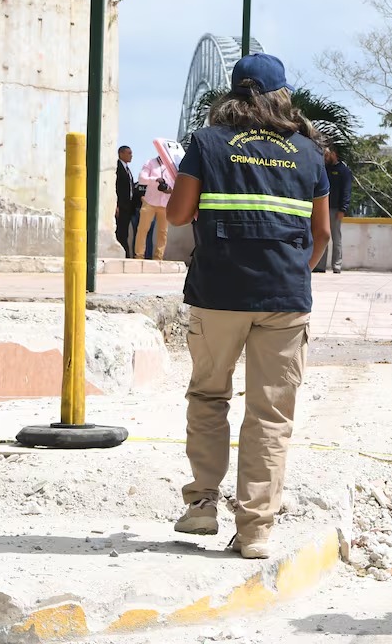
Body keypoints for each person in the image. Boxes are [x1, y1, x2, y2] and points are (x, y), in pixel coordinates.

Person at [166, 52, 331, 560]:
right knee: (271, 413)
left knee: (210, 395)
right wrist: (289, 275)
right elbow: (320, 234)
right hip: (284, 296)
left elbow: (177, 214)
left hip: (218, 293)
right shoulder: (308, 153)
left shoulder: (208, 144)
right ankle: (256, 530)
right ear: (283, 95)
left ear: (233, 92)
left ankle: (201, 505)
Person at [314, 145, 352, 274]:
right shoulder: (324, 169)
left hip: (336, 209)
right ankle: (319, 266)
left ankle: (337, 266)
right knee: (321, 235)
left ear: (334, 154)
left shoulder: (344, 170)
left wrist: (343, 209)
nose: (325, 156)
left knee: (336, 238)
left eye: (327, 154)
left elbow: (347, 191)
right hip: (322, 208)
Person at [135, 154, 174, 260]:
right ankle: (139, 256)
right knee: (143, 229)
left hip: (165, 203)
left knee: (163, 232)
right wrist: (156, 179)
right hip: (150, 202)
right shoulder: (150, 162)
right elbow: (142, 179)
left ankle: (158, 257)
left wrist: (170, 189)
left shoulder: (172, 165)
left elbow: (176, 181)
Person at [115, 145, 137, 257]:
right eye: (129, 153)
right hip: (121, 205)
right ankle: (123, 254)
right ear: (121, 154)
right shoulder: (117, 167)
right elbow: (116, 187)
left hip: (128, 206)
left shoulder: (127, 169)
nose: (131, 155)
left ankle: (125, 253)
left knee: (125, 231)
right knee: (120, 231)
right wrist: (116, 205)